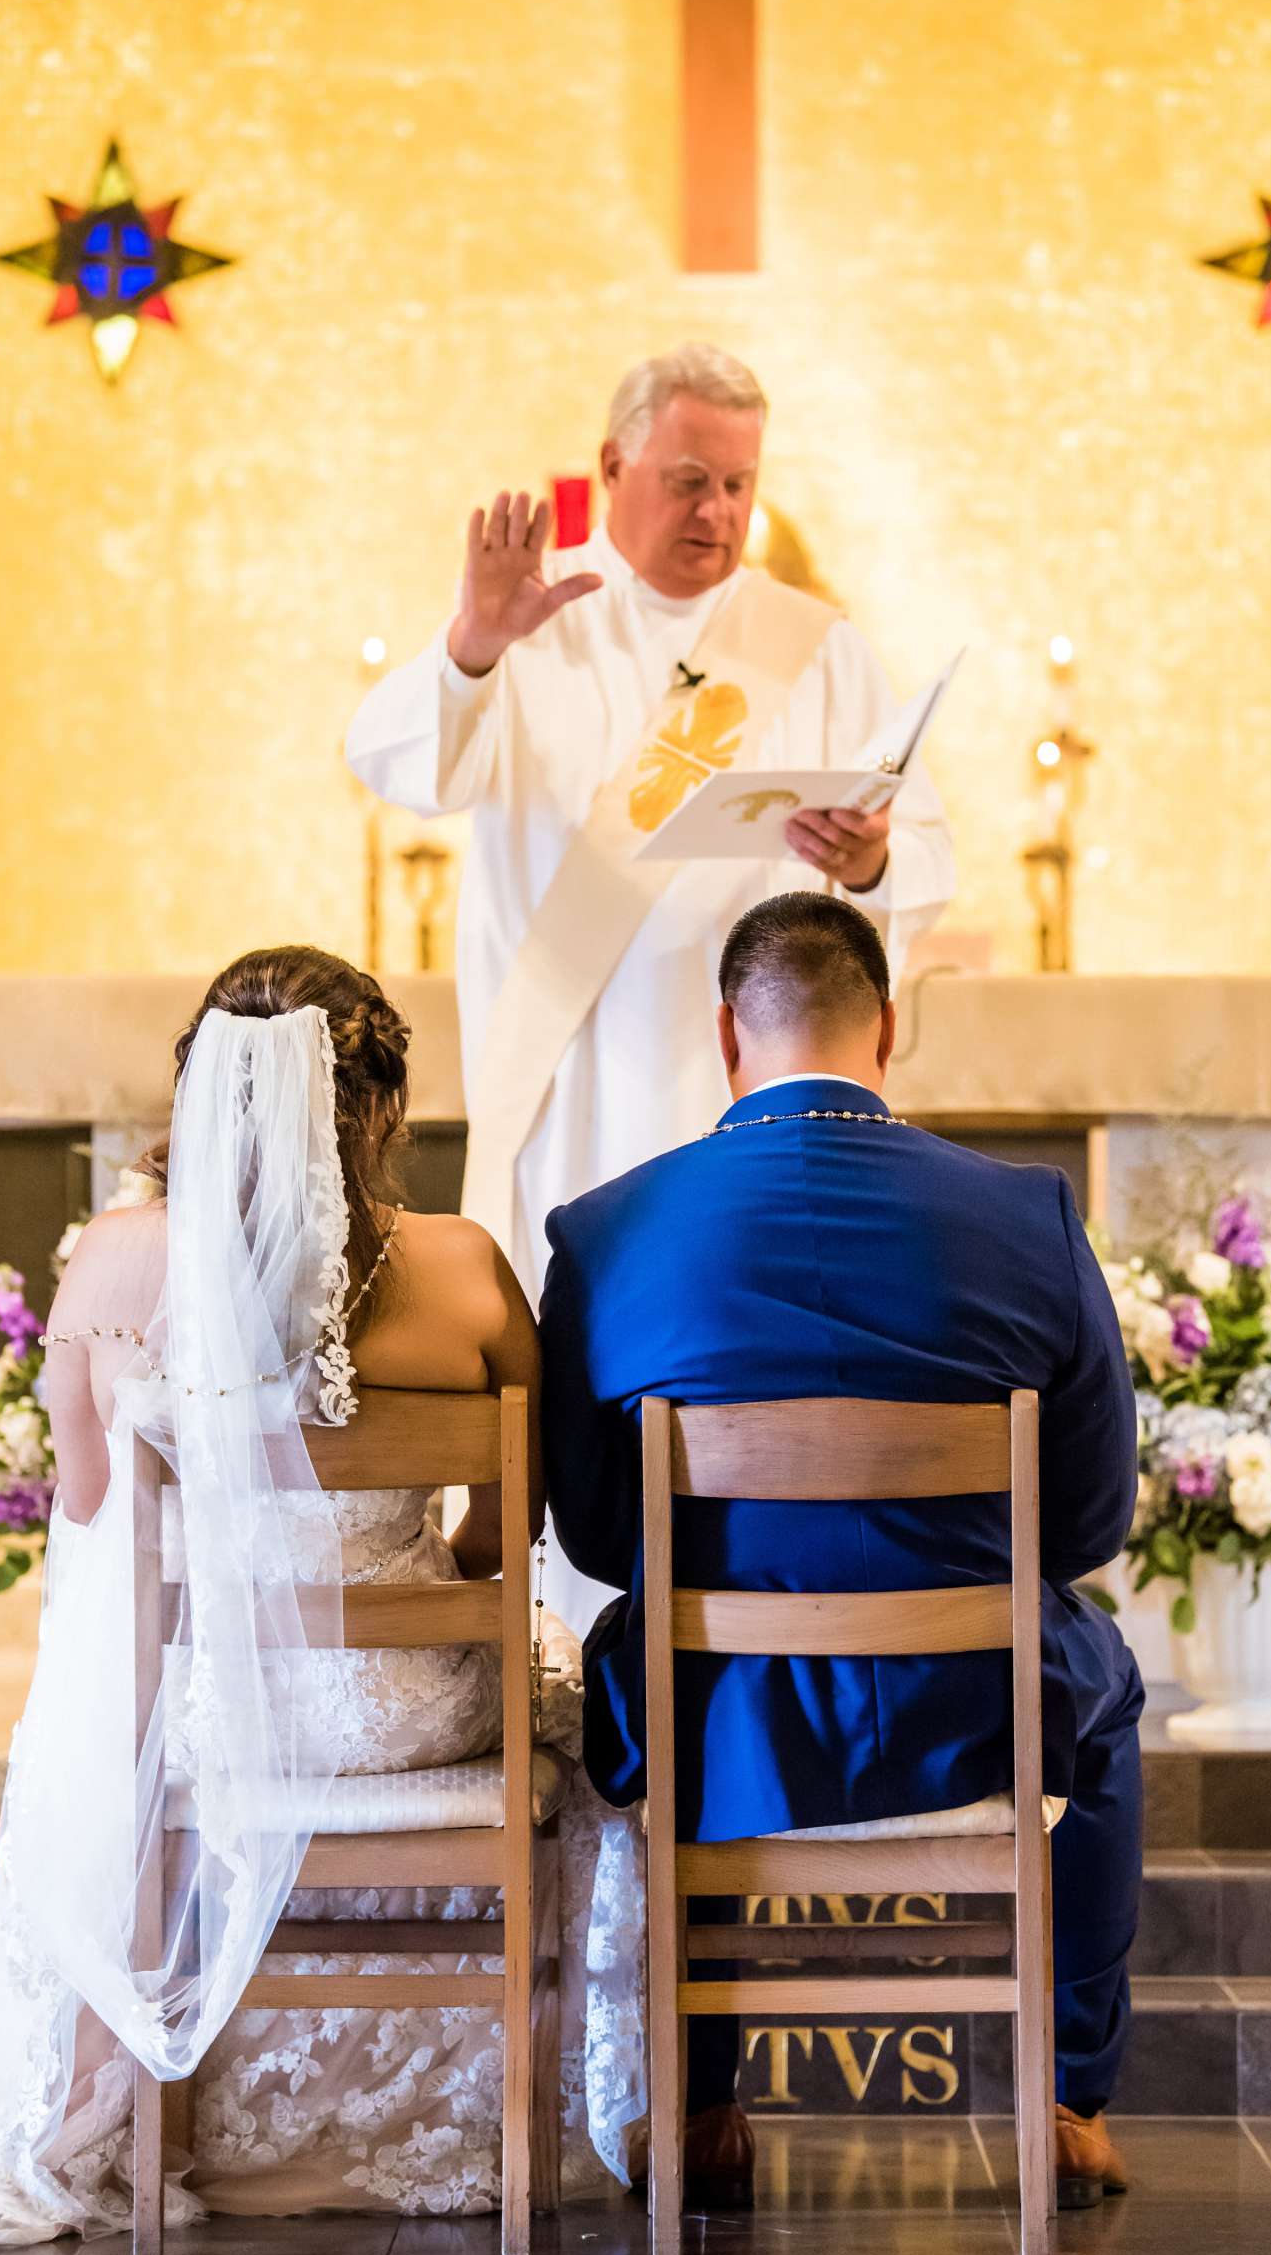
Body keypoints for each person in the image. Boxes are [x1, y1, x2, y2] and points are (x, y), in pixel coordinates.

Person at [0, 948, 643, 2247]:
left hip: (204, 1722)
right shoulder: (468, 1270)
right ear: (384, 1108)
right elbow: (498, 1537)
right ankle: (515, 2113)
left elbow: (89, 1510)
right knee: (575, 1722)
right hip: (414, 1717)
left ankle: (176, 2115)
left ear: (198, 1091)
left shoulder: (112, 1271)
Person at [539, 892, 1143, 2211]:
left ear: (724, 1035)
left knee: (641, 1653)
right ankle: (1067, 2098)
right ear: (887, 1031)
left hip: (724, 1716)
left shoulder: (602, 1233)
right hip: (979, 1706)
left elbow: (593, 1534)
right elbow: (1093, 1519)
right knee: (1105, 1693)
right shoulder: (1028, 1215)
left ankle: (702, 2107)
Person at [346, 343, 956, 1633]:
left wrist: (877, 855)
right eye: (688, 481)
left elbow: (919, 840)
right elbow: (403, 768)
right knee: (562, 1394)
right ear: (613, 467)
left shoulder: (816, 647)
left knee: (723, 1391)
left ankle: (715, 1661)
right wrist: (469, 647)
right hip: (568, 1082)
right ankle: (558, 1675)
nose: (719, 515)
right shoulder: (535, 630)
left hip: (744, 1099)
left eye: (740, 484)